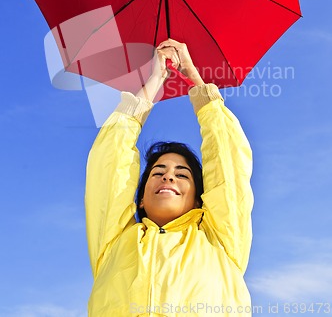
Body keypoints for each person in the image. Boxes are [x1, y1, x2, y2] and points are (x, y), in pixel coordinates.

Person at [85, 39, 254, 316]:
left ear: (201, 198)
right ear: (139, 200)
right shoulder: (114, 244)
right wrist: (155, 80)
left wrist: (192, 76)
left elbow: (228, 159)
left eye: (182, 174)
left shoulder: (221, 240)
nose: (168, 178)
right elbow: (109, 161)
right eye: (158, 172)